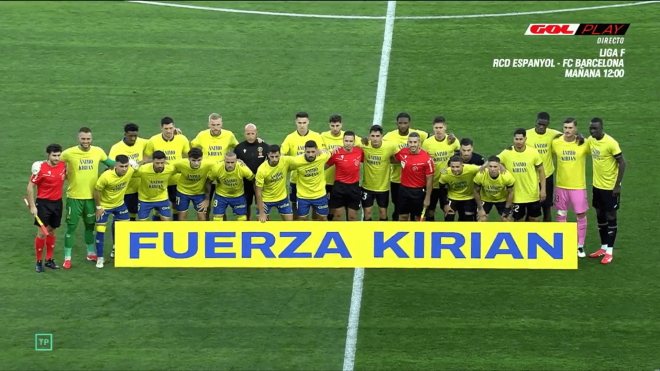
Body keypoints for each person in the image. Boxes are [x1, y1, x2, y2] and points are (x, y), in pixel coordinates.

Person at [60, 127, 116, 269]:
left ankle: (90, 253)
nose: (86, 141)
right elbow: (54, 162)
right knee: (71, 227)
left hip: (92, 198)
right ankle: (67, 258)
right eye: (83, 139)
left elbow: (112, 164)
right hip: (74, 197)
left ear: (91, 139)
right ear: (78, 139)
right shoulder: (69, 153)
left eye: (88, 139)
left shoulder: (98, 151)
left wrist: (132, 165)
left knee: (90, 226)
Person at [586, 118, 626, 264]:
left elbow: (622, 163)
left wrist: (617, 185)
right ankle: (603, 247)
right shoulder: (591, 140)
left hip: (610, 188)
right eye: (590, 128)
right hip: (597, 187)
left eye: (595, 128)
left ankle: (609, 251)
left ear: (601, 128)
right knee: (599, 215)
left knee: (611, 216)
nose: (592, 131)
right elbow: (583, 143)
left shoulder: (611, 143)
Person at [551, 118, 591, 258]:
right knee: (561, 215)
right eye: (565, 127)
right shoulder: (556, 143)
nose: (567, 130)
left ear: (575, 129)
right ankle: (563, 245)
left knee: (580, 215)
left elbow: (599, 152)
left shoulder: (584, 143)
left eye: (570, 128)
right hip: (561, 186)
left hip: (578, 187)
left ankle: (580, 246)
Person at [190, 113, 239, 220]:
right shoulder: (202, 135)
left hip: (222, 176)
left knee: (221, 206)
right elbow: (191, 147)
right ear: (209, 124)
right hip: (206, 176)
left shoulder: (229, 135)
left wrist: (238, 159)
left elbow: (238, 148)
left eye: (218, 125)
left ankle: (222, 229)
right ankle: (206, 228)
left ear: (221, 124)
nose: (215, 128)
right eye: (213, 125)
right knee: (204, 206)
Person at [27, 144, 66, 273]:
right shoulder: (41, 169)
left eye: (58, 155)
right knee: (42, 233)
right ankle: (38, 262)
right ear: (48, 155)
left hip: (57, 203)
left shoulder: (62, 166)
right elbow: (30, 187)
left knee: (52, 230)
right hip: (43, 204)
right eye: (54, 155)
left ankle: (49, 259)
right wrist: (33, 206)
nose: (57, 158)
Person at [383, 112, 428, 220]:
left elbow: (431, 139)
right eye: (400, 123)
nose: (403, 126)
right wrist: (405, 161)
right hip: (396, 179)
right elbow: (384, 153)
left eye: (405, 123)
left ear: (409, 123)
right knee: (398, 208)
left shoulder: (418, 134)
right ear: (396, 123)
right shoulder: (389, 136)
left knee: (415, 211)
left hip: (415, 181)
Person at [144, 117, 190, 221]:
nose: (169, 131)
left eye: (171, 128)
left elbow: (188, 158)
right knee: (158, 207)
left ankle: (175, 231)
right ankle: (158, 232)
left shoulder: (182, 139)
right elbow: (145, 160)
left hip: (176, 180)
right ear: (161, 128)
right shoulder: (153, 140)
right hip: (159, 180)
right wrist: (159, 163)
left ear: (174, 127)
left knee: (176, 206)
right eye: (166, 128)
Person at [281, 112, 325, 219]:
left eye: (304, 122)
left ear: (308, 122)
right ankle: (298, 229)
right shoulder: (290, 137)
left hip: (312, 179)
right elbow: (281, 154)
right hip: (295, 179)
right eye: (299, 123)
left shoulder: (316, 136)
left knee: (316, 210)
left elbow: (323, 152)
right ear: (296, 122)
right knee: (295, 207)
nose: (302, 125)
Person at [93, 155, 135, 268]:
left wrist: (147, 161)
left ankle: (116, 249)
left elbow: (140, 163)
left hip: (120, 205)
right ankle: (100, 258)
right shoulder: (106, 176)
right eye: (122, 166)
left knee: (124, 228)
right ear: (115, 165)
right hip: (105, 206)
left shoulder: (130, 170)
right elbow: (96, 191)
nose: (124, 169)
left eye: (126, 166)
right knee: (101, 230)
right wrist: (98, 208)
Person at [497, 128, 546, 222]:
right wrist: (499, 165)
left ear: (525, 139)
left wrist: (543, 190)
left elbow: (541, 171)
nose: (518, 142)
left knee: (534, 219)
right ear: (513, 139)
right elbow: (493, 161)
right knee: (518, 220)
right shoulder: (507, 153)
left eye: (521, 139)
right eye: (516, 139)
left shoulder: (533, 152)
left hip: (533, 194)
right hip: (517, 196)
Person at [108, 123, 149, 221]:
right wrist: (128, 164)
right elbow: (110, 165)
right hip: (124, 188)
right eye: (130, 136)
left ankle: (132, 233)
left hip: (139, 186)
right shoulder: (116, 148)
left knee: (134, 211)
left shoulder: (142, 142)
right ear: (125, 134)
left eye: (135, 135)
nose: (133, 138)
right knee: (121, 215)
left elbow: (155, 142)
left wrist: (173, 133)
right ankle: (119, 235)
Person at [422, 116, 459, 221]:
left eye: (440, 127)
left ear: (445, 127)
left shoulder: (452, 141)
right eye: (436, 128)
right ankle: (430, 231)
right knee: (430, 210)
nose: (438, 130)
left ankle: (446, 231)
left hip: (447, 184)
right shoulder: (427, 143)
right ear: (433, 128)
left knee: (448, 210)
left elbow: (460, 156)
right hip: (432, 184)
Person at [526, 112, 562, 222]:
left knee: (547, 207)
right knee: (530, 207)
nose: (541, 127)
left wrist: (578, 136)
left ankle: (547, 233)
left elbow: (568, 136)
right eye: (539, 124)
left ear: (548, 124)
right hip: (530, 177)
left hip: (547, 176)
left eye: (544, 125)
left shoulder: (553, 134)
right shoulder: (527, 134)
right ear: (536, 122)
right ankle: (527, 234)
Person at [391, 132, 434, 221]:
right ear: (408, 143)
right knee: (403, 216)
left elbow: (430, 179)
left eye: (415, 142)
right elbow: (393, 159)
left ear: (419, 143)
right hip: (404, 190)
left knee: (419, 218)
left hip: (418, 192)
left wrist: (427, 197)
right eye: (410, 142)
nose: (412, 145)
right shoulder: (402, 153)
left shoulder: (426, 159)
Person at [360, 125, 398, 221]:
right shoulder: (364, 145)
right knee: (367, 213)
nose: (375, 139)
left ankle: (382, 233)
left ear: (382, 136)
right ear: (369, 136)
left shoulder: (389, 146)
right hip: (367, 187)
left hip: (383, 187)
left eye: (377, 136)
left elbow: (401, 155)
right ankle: (368, 233)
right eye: (373, 136)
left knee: (383, 212)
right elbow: (350, 143)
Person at [255, 145, 299, 222]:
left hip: (282, 198)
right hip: (266, 199)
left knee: (290, 222)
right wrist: (261, 207)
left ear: (280, 155)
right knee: (261, 222)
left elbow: (301, 160)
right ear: (268, 155)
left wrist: (319, 152)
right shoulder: (262, 169)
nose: (274, 159)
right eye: (272, 157)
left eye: (276, 156)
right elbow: (258, 190)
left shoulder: (285, 160)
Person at [326, 131, 363, 221]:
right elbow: (325, 166)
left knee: (352, 217)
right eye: (346, 141)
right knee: (337, 216)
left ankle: (352, 235)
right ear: (343, 141)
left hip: (354, 187)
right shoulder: (337, 152)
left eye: (351, 141)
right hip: (339, 187)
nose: (348, 143)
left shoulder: (359, 152)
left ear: (354, 142)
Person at [235, 123, 268, 221]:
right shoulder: (239, 148)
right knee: (246, 205)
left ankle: (263, 224)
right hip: (245, 183)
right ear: (244, 134)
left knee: (262, 204)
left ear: (256, 133)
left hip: (261, 182)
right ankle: (247, 224)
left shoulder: (264, 147)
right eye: (248, 134)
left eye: (252, 133)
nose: (250, 136)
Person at [208, 151, 254, 221]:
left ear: (236, 161)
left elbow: (254, 180)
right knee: (217, 219)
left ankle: (239, 232)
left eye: (232, 162)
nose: (230, 165)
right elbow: (208, 182)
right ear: (224, 161)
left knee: (242, 219)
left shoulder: (242, 168)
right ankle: (221, 232)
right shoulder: (217, 168)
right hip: (221, 195)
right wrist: (206, 199)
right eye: (228, 162)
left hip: (238, 196)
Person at [132, 150, 178, 221]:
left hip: (162, 198)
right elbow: (128, 173)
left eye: (162, 163)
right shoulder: (143, 170)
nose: (160, 165)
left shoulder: (170, 169)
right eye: (157, 163)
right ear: (152, 161)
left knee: (166, 222)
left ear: (165, 161)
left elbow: (183, 168)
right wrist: (139, 163)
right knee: (142, 224)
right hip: (145, 199)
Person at [172, 147, 215, 221]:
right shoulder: (180, 164)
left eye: (199, 160)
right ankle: (183, 232)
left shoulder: (209, 164)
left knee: (202, 218)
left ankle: (198, 231)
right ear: (188, 158)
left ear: (202, 158)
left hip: (199, 193)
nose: (196, 163)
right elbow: (166, 167)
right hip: (183, 193)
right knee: (182, 218)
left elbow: (222, 166)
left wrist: (207, 199)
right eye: (193, 160)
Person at [293, 140, 331, 221]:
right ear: (304, 151)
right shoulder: (296, 161)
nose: (310, 154)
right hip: (303, 196)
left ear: (316, 150)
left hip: (319, 195)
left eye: (313, 152)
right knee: (302, 219)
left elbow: (331, 153)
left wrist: (324, 150)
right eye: (308, 152)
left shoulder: (323, 156)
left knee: (323, 218)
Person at [473, 156, 515, 222]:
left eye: (495, 167)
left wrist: (507, 209)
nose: (492, 169)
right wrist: (480, 208)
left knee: (506, 220)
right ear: (487, 166)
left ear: (499, 167)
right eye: (490, 166)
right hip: (486, 199)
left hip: (502, 199)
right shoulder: (481, 175)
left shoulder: (506, 176)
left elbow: (511, 192)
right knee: (481, 219)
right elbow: (475, 191)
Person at [439, 157, 480, 221]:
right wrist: (445, 204)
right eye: (453, 167)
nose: (455, 169)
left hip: (468, 197)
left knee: (468, 219)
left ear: (462, 165)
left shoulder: (471, 169)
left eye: (457, 167)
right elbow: (441, 189)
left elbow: (485, 168)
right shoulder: (445, 173)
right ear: (449, 166)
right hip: (453, 197)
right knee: (448, 217)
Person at [321, 114, 345, 221]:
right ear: (329, 125)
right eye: (332, 126)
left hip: (340, 180)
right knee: (325, 207)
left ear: (341, 125)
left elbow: (362, 143)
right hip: (326, 179)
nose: (335, 128)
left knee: (337, 208)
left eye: (337, 125)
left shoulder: (347, 136)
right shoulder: (323, 136)